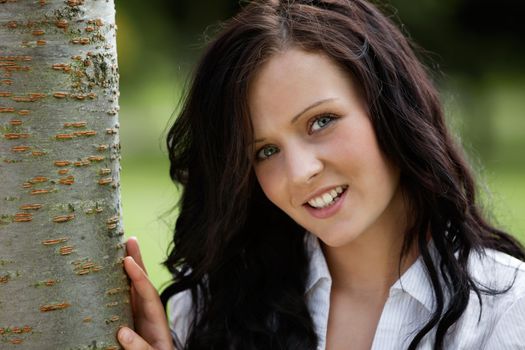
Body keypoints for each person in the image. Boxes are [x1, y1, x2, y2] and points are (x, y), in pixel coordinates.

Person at [117, 0, 525, 349]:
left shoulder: (506, 311)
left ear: (391, 110)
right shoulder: (219, 302)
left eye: (321, 121)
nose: (299, 173)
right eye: (266, 151)